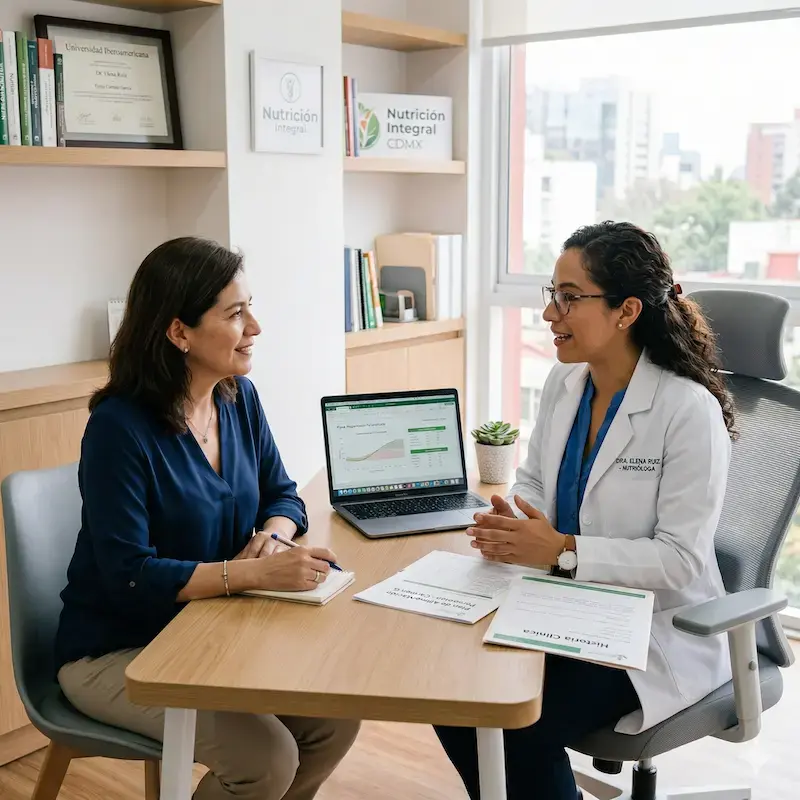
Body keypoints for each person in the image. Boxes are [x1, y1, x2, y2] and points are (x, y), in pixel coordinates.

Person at [434, 221, 736, 800]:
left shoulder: (686, 410)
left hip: (649, 632)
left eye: (569, 298)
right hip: (560, 608)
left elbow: (680, 561)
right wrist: (514, 525)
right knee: (455, 695)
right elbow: (536, 482)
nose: (551, 315)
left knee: (513, 724)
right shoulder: (564, 382)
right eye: (552, 295)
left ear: (626, 311)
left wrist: (565, 553)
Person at [54, 236, 360, 800]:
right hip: (117, 650)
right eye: (236, 313)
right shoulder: (119, 430)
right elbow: (129, 575)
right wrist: (248, 575)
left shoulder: (237, 397)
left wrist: (271, 539)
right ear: (179, 332)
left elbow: (285, 496)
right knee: (265, 759)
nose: (256, 327)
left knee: (333, 718)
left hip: (213, 631)